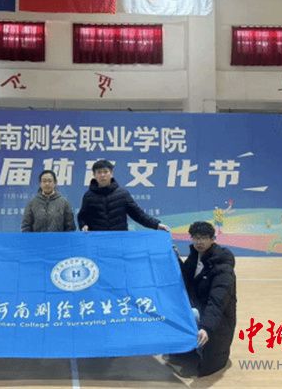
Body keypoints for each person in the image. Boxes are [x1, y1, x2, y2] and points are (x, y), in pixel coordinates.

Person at [167, 221, 236, 377]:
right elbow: (186, 280)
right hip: (201, 309)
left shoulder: (222, 264)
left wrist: (206, 327)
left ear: (213, 239)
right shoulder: (195, 256)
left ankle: (198, 347)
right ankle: (189, 347)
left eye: (204, 238)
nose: (199, 242)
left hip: (217, 318)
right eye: (196, 237)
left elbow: (218, 300)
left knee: (191, 316)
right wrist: (176, 259)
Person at [77, 159, 170, 232]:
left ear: (111, 173)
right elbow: (82, 217)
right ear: (94, 175)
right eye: (99, 172)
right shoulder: (88, 196)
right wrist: (83, 225)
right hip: (97, 240)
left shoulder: (122, 194)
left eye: (105, 172)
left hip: (120, 240)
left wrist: (156, 225)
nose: (102, 175)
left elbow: (138, 214)